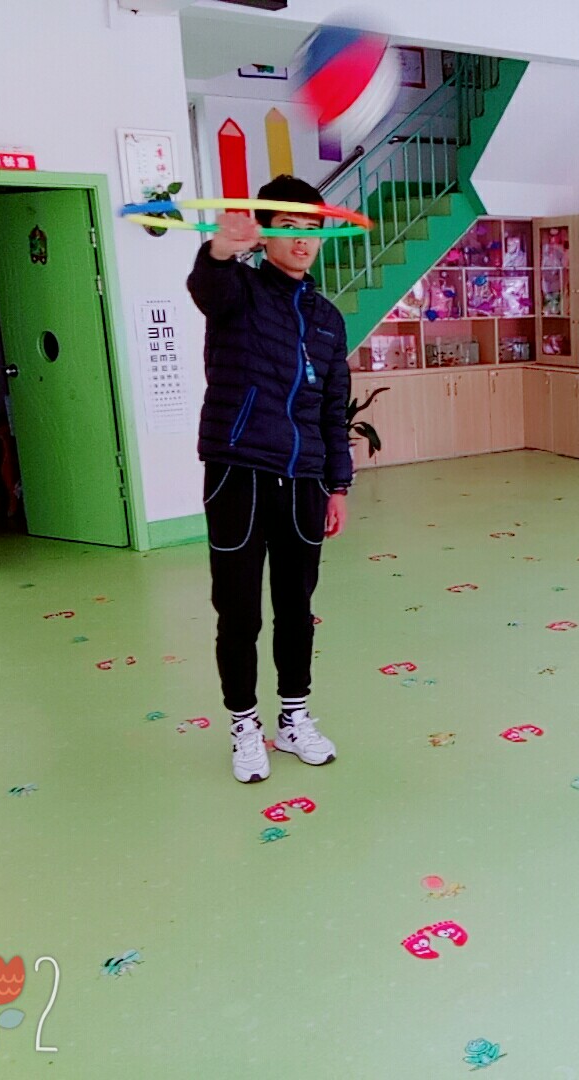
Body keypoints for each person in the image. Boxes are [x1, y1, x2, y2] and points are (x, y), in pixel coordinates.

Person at [187, 174, 353, 784]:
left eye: (312, 230)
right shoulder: (239, 291)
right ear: (266, 234)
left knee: (296, 607)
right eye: (289, 228)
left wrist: (338, 485)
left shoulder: (327, 319)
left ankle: (293, 717)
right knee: (238, 610)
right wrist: (220, 249)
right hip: (239, 472)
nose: (303, 242)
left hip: (304, 478)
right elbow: (206, 287)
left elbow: (333, 407)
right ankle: (243, 725)